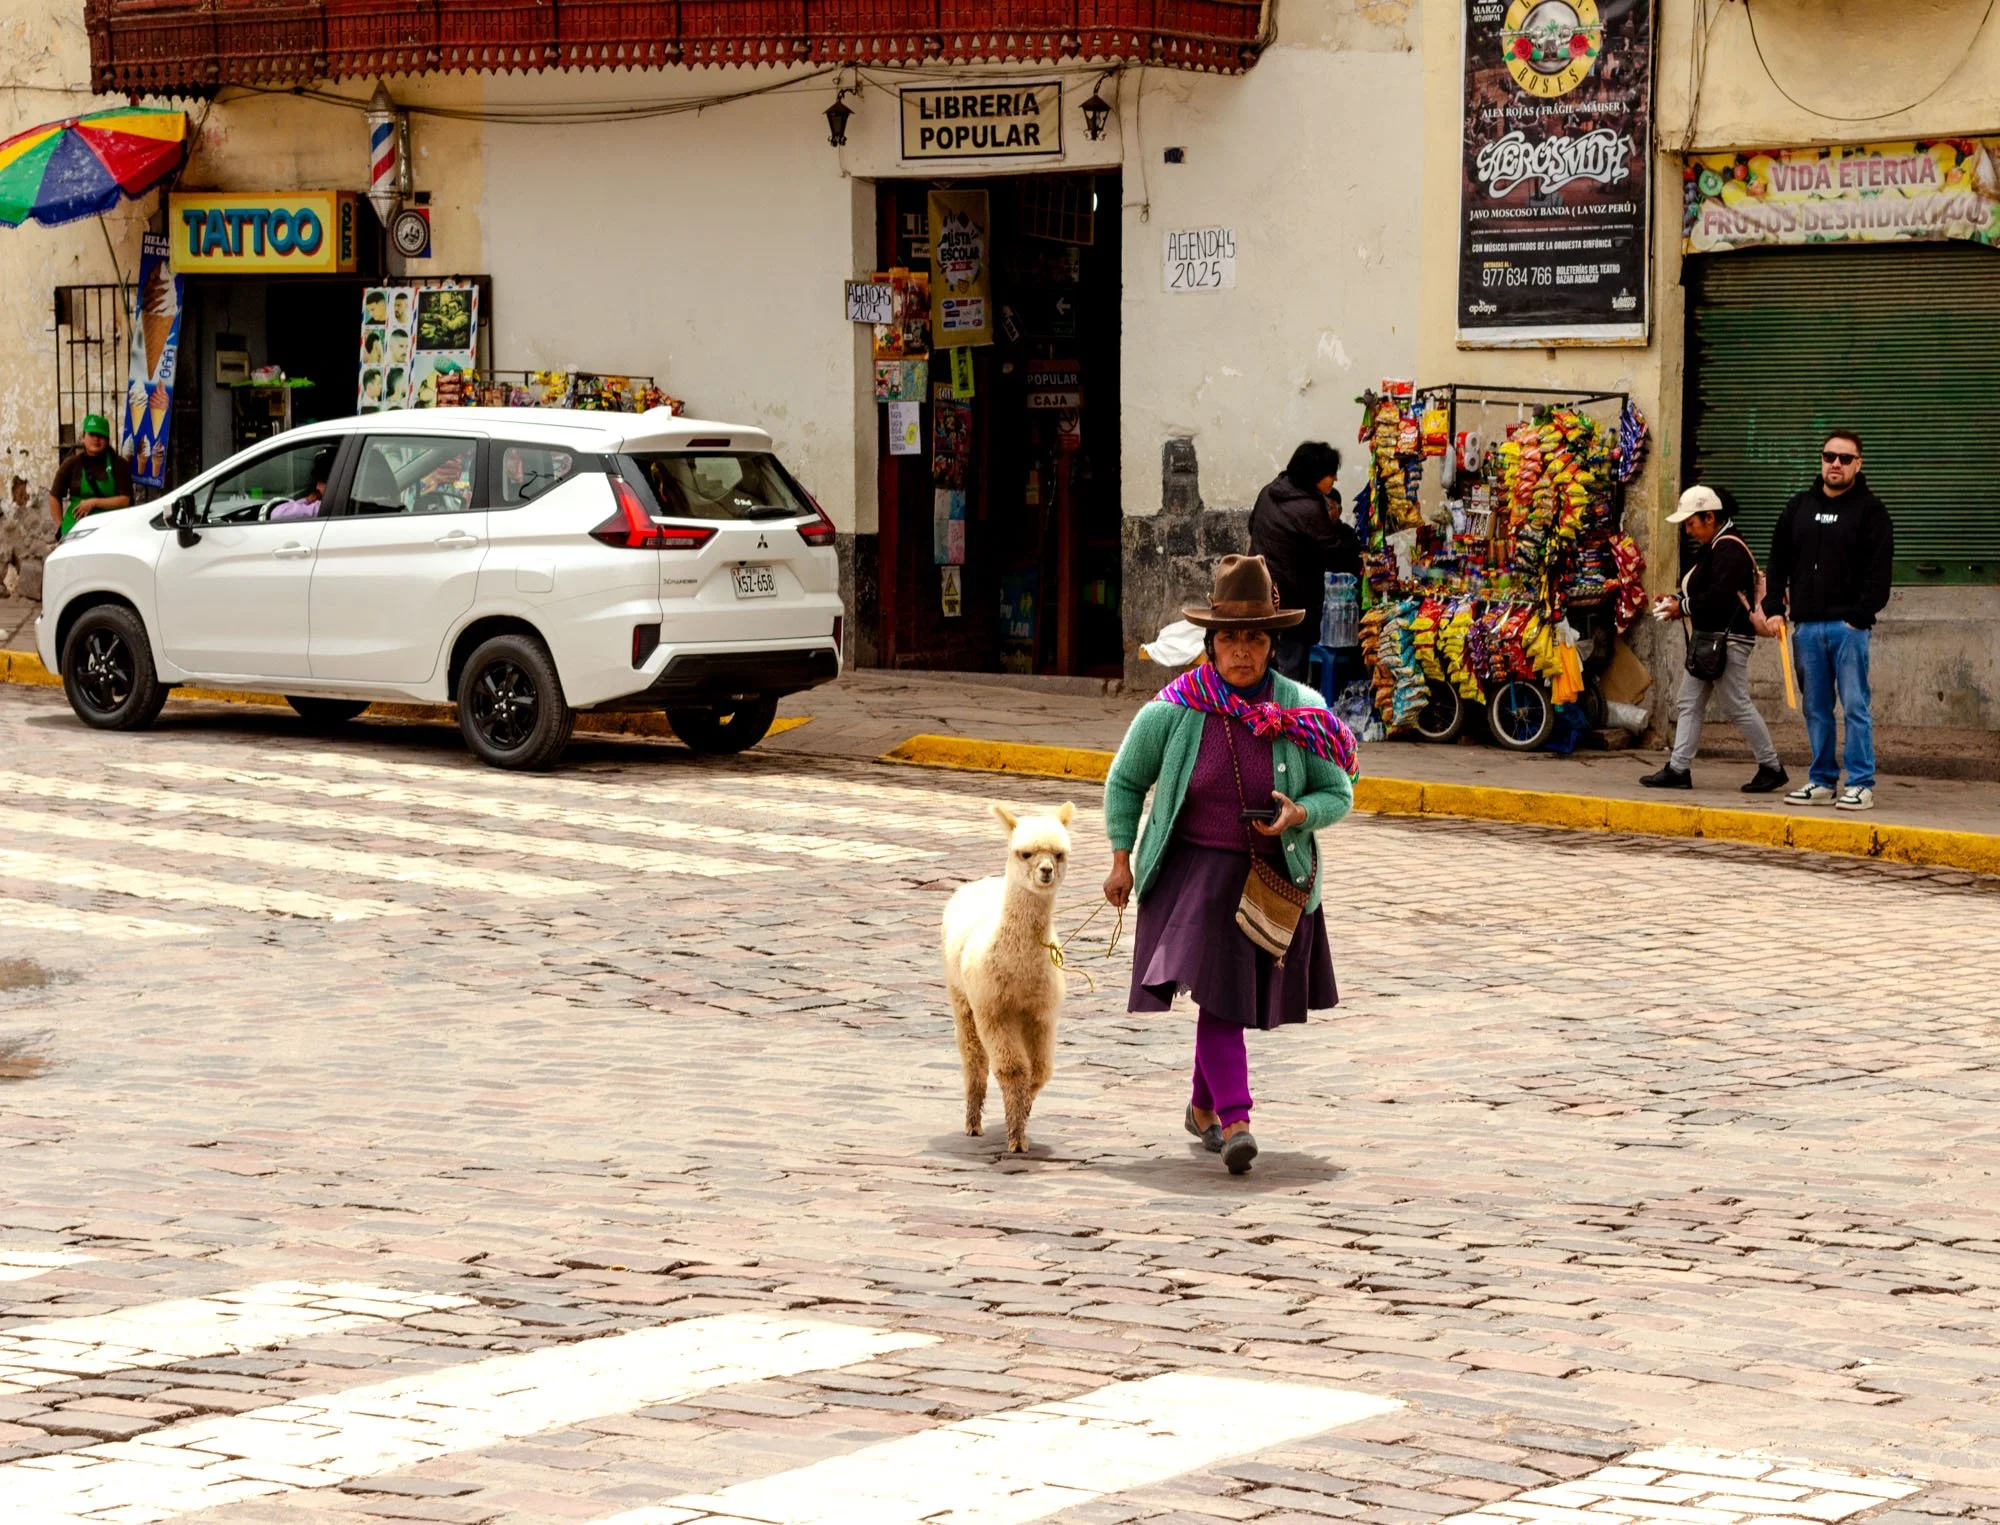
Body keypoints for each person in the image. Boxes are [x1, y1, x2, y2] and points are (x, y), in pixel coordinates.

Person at [1102, 555, 1360, 1176]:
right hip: (1194, 875)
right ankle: (1237, 1120)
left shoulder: (1301, 709)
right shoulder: (1176, 707)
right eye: (1229, 638)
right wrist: (1121, 859)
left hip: (1271, 877)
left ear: (1271, 644)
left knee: (1227, 997)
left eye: (1254, 638)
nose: (1241, 650)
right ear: (1210, 645)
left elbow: (1340, 792)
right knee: (1222, 1003)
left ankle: (1201, 1106)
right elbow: (1126, 781)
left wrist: (1301, 814)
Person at [1762, 428, 1894, 812]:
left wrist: (1859, 616)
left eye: (1845, 458)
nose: (1835, 464)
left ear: (1858, 464)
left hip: (1848, 630)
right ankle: (1821, 781)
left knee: (1855, 706)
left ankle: (1860, 783)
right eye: (1828, 456)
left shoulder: (1871, 511)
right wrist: (1773, 607)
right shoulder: (1799, 506)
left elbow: (1879, 570)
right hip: (1806, 628)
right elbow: (1778, 560)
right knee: (1815, 708)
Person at [1641, 485, 1787, 795]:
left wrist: (1682, 607)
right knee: (1689, 702)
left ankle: (1771, 766)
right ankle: (1678, 768)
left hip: (1727, 640)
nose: (1689, 531)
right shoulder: (1715, 545)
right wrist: (1676, 600)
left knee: (1736, 703)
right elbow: (1703, 590)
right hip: (1711, 641)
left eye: (1692, 523)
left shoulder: (1728, 548)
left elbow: (1720, 597)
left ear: (1710, 517)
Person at [1249, 442, 1361, 681]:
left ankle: (1263, 714)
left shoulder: (1269, 491)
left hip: (1259, 592)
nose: (1335, 480)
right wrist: (1356, 550)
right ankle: (1284, 716)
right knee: (1290, 671)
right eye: (1330, 474)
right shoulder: (1310, 507)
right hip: (1291, 599)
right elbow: (1332, 552)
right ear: (1315, 474)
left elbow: (1252, 527)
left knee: (1265, 665)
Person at [47, 414, 133, 540]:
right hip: (76, 528)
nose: (96, 439)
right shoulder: (71, 464)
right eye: (91, 434)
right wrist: (60, 528)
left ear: (107, 439)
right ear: (83, 437)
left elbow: (125, 500)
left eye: (101, 435)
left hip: (109, 529)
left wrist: (93, 503)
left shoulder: (118, 464)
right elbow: (54, 496)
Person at [268, 450, 337, 521]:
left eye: (322, 480)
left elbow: (278, 514)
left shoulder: (327, 507)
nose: (317, 487)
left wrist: (307, 500)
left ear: (335, 481)